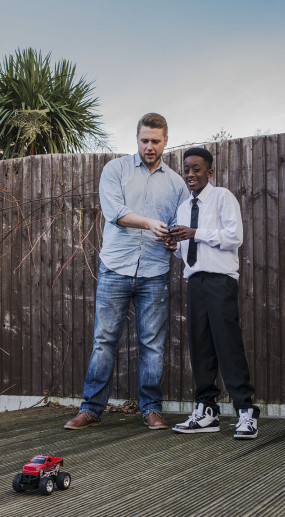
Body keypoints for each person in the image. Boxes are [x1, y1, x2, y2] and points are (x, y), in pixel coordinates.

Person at [65, 113, 189, 430]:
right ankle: (91, 409)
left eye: (156, 141)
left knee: (152, 344)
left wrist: (174, 241)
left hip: (155, 272)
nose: (150, 146)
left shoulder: (176, 183)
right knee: (104, 341)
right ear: (137, 139)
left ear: (165, 141)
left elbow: (180, 226)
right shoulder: (115, 170)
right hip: (115, 268)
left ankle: (151, 410)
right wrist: (148, 222)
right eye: (145, 140)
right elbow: (115, 212)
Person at [165, 147, 260, 439]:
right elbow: (187, 253)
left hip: (220, 281)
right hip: (195, 281)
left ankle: (246, 412)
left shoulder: (222, 197)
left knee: (227, 344)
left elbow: (235, 237)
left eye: (197, 169)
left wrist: (195, 233)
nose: (191, 174)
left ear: (209, 171)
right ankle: (207, 410)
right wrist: (175, 247)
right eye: (187, 169)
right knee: (200, 346)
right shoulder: (183, 208)